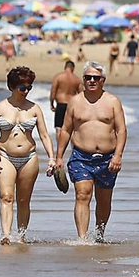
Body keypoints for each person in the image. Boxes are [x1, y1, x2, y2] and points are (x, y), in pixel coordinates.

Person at [48, 62, 127, 242]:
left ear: (103, 81)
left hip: (107, 159)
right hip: (81, 156)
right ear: (83, 79)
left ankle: (99, 235)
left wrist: (118, 155)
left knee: (104, 199)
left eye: (95, 78)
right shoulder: (75, 102)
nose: (91, 81)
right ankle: (82, 239)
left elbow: (121, 130)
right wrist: (59, 156)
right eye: (88, 77)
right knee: (82, 194)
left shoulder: (113, 101)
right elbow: (66, 130)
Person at [0, 67, 55, 244]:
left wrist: (52, 158)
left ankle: (21, 237)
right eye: (22, 87)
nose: (26, 91)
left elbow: (45, 135)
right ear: (12, 87)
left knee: (23, 199)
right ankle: (6, 235)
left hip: (29, 158)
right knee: (7, 196)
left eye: (29, 87)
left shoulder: (34, 108)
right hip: (4, 156)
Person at [50, 59, 82, 131]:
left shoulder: (58, 77)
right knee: (70, 129)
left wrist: (52, 104)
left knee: (59, 128)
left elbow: (53, 92)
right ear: (73, 68)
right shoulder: (77, 79)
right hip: (71, 105)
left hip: (60, 104)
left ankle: (59, 142)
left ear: (65, 67)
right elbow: (82, 95)